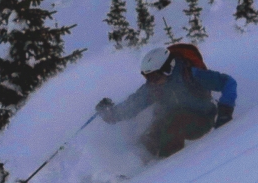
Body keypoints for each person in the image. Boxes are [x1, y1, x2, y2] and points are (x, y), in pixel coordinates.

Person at [95, 45, 237, 158]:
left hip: (202, 118)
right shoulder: (154, 87)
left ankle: (165, 170)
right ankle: (134, 167)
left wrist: (225, 111)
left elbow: (228, 83)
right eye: (148, 77)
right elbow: (134, 104)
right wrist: (110, 113)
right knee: (149, 137)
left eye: (155, 76)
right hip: (170, 119)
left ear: (168, 68)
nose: (152, 82)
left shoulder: (190, 74)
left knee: (174, 124)